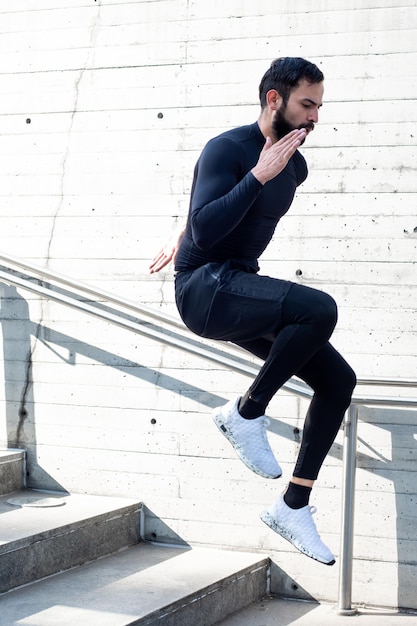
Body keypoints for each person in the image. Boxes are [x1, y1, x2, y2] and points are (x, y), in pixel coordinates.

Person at [149, 57, 356, 566]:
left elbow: (220, 217)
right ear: (273, 99)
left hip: (238, 284)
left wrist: (191, 225)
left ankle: (293, 505)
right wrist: (258, 176)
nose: (314, 118)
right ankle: (245, 412)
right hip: (204, 289)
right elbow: (205, 226)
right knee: (319, 309)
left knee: (337, 380)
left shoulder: (297, 165)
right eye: (307, 104)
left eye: (319, 107)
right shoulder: (229, 148)